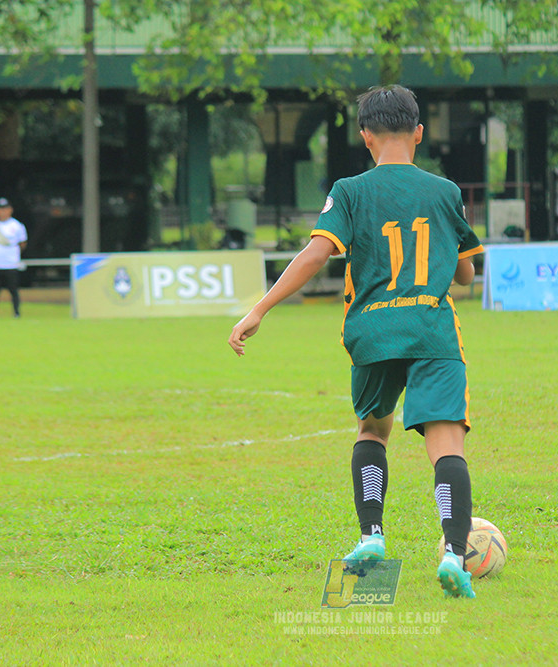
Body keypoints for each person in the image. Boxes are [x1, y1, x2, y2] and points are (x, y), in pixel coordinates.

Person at [228, 85, 484, 599]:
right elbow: (465, 275)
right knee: (445, 444)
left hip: (371, 331)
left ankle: (371, 536)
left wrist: (260, 308)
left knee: (372, 431)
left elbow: (317, 252)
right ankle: (455, 553)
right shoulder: (444, 191)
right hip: (431, 330)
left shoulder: (348, 190)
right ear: (418, 133)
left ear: (365, 137)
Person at [0, 197, 28, 318]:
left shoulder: (17, 225)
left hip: (11, 263)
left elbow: (22, 243)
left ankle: (16, 313)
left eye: (5, 209)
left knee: (13, 290)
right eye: (0, 209)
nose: (3, 212)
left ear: (10, 210)